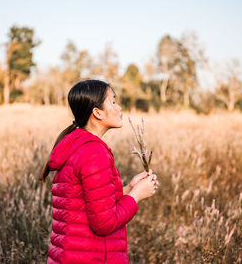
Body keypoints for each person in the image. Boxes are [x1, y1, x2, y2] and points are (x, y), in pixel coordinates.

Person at [41, 79, 159, 264]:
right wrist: (137, 195)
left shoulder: (76, 147)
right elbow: (104, 223)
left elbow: (89, 203)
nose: (119, 108)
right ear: (97, 112)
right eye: (113, 102)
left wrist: (129, 188)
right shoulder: (93, 153)